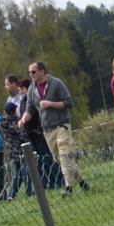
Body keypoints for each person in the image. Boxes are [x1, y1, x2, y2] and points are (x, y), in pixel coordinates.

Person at [27, 61, 86, 195]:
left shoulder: (56, 83)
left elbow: (69, 102)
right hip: (47, 129)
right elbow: (30, 109)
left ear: (42, 71)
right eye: (29, 72)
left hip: (61, 125)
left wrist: (50, 104)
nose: (31, 75)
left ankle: (68, 188)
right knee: (62, 159)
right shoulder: (31, 89)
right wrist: (23, 119)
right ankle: (83, 183)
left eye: (33, 72)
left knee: (65, 156)